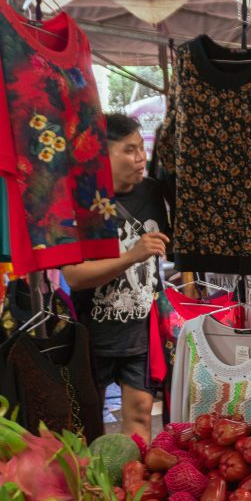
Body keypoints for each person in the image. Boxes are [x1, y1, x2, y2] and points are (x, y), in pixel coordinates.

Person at [62, 113, 170, 444]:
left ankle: (133, 488)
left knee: (139, 415)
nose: (141, 158)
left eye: (141, 148)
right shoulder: (79, 200)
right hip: (92, 334)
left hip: (140, 331)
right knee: (86, 424)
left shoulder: (152, 193)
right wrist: (131, 257)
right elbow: (75, 276)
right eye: (129, 150)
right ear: (102, 155)